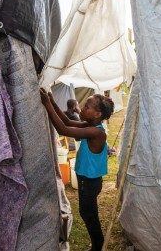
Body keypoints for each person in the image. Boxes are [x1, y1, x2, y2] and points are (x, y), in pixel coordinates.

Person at [40, 88, 114, 251]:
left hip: (89, 182)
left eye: (87, 107)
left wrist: (47, 104)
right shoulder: (90, 125)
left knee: (89, 214)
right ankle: (97, 244)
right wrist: (52, 102)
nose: (82, 108)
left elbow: (63, 130)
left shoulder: (96, 132)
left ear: (97, 114)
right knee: (87, 212)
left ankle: (98, 246)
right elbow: (66, 122)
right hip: (87, 180)